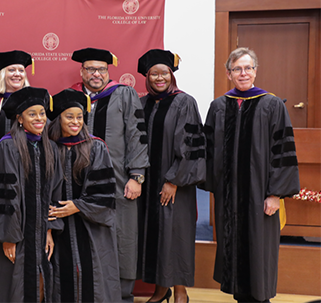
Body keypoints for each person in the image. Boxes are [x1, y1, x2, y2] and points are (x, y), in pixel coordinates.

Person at [204, 47, 300, 303]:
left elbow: (283, 151)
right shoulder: (218, 106)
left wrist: (275, 194)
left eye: (248, 68)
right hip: (229, 198)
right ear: (228, 73)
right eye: (237, 68)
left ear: (256, 71)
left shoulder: (272, 104)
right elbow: (209, 151)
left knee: (259, 255)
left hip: (260, 197)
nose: (243, 73)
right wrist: (217, 188)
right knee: (234, 255)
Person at [69, 47, 149, 303]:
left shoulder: (124, 94)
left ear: (108, 71)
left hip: (119, 179)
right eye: (90, 69)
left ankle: (122, 295)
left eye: (101, 69)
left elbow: (137, 135)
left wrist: (136, 176)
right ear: (82, 71)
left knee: (122, 235)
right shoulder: (71, 96)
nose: (96, 74)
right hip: (79, 183)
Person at [136, 49, 206, 303]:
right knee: (154, 235)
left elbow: (191, 146)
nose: (159, 78)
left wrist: (174, 180)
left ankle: (180, 292)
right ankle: (159, 289)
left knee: (175, 235)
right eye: (154, 73)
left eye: (164, 73)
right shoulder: (142, 103)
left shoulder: (184, 102)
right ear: (147, 76)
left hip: (175, 184)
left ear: (171, 74)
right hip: (148, 183)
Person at [0, 87, 63, 303]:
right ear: (19, 118)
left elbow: (55, 191)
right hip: (14, 234)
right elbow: (3, 197)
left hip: (38, 232)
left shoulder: (50, 148)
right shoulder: (8, 146)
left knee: (40, 281)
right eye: (32, 114)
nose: (39, 118)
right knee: (11, 286)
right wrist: (8, 237)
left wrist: (48, 229)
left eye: (42, 113)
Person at [47, 89, 121, 303]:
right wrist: (48, 226)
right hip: (58, 228)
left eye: (79, 117)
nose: (75, 122)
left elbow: (105, 193)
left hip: (90, 227)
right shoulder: (48, 148)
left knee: (92, 277)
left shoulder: (95, 146)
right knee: (61, 277)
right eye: (69, 117)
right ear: (58, 119)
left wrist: (78, 206)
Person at [0, 50, 32, 140]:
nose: (17, 74)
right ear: (3, 75)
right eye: (12, 70)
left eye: (21, 70)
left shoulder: (32, 101)